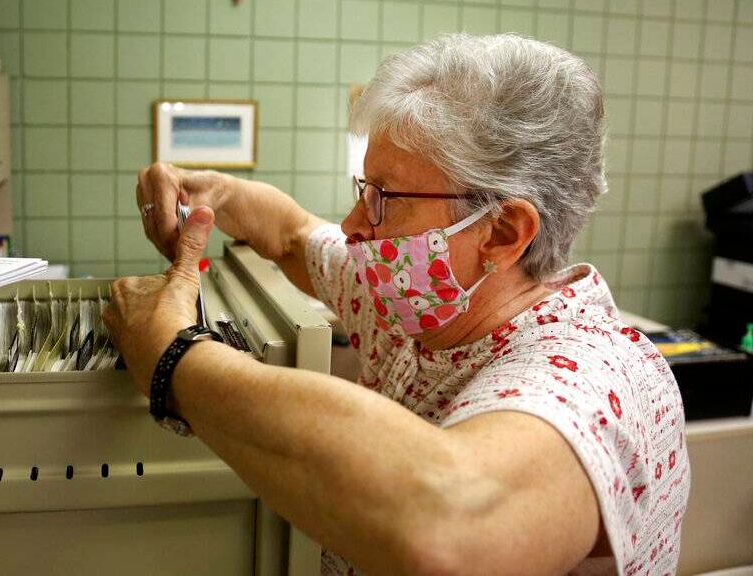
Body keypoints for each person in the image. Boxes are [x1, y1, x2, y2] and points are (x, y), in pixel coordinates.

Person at [102, 34, 689, 575]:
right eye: (364, 189)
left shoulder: (596, 374)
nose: (353, 224)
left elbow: (448, 531)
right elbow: (292, 236)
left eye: (384, 197)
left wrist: (173, 355)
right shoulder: (412, 297)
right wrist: (211, 192)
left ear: (503, 233)